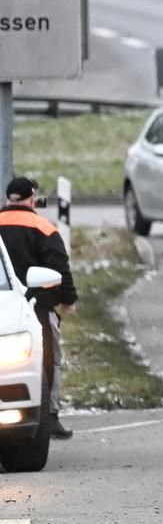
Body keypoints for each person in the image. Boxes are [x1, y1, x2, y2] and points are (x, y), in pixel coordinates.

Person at [0, 177, 73, 441]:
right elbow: (59, 266)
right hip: (38, 308)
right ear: (32, 198)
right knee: (49, 361)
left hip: (7, 307)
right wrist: (68, 298)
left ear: (8, 198)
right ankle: (49, 417)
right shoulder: (42, 226)